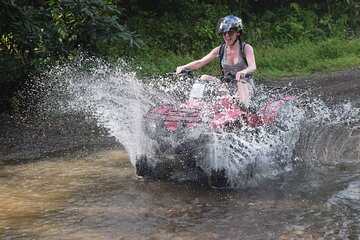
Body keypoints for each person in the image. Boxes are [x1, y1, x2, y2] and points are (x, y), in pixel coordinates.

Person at [176, 15, 256, 108]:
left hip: (246, 87)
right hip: (228, 87)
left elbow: (252, 66)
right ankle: (192, 105)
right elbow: (200, 62)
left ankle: (243, 109)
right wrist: (184, 67)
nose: (227, 36)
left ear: (238, 33)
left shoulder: (246, 48)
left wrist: (244, 72)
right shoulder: (221, 49)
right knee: (204, 77)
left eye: (230, 33)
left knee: (240, 81)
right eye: (224, 33)